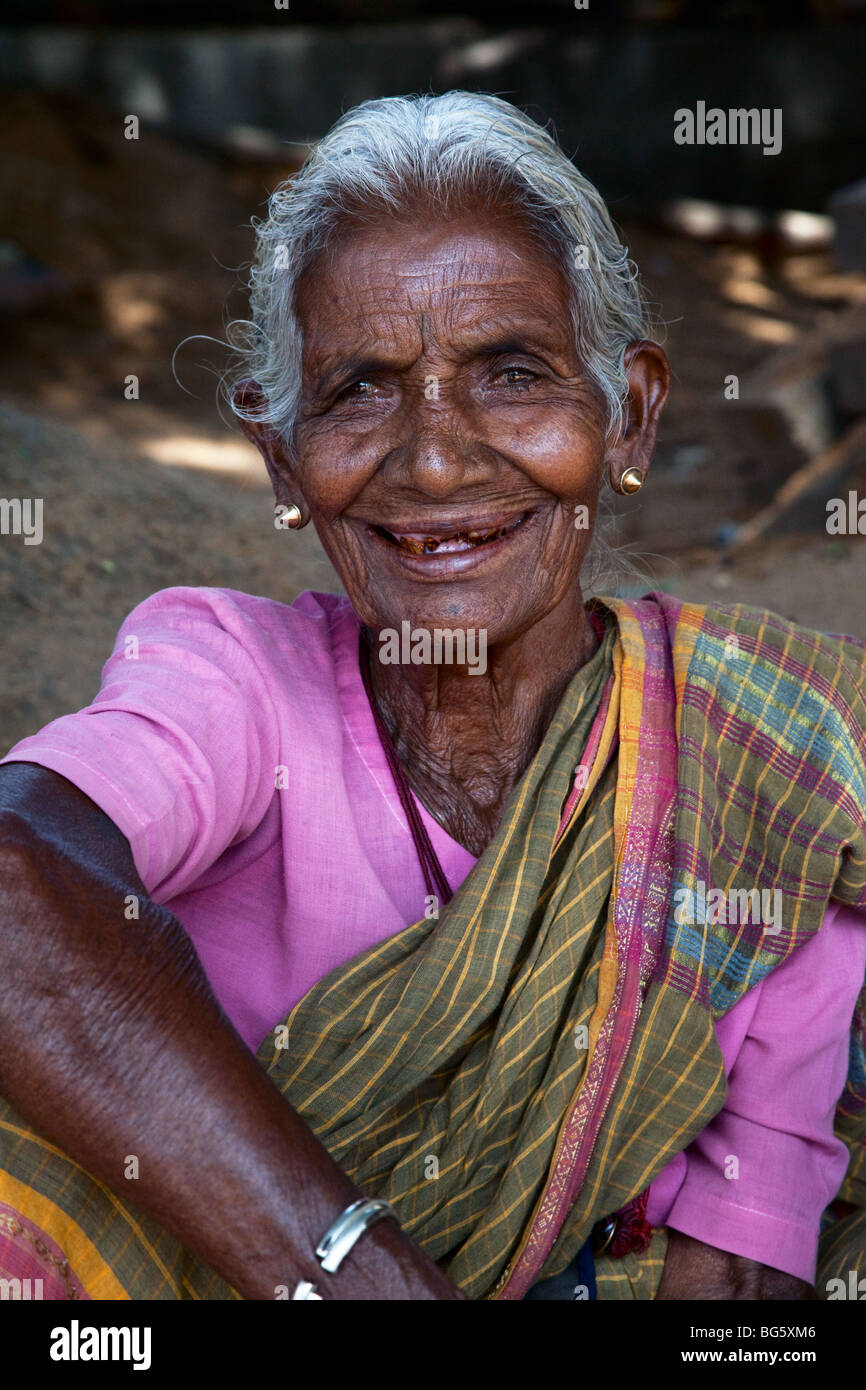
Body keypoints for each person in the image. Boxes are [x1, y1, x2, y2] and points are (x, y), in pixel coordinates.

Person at [0, 91, 864, 1302]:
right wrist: (356, 1271)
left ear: (629, 413)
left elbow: (736, 1279)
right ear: (280, 455)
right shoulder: (228, 681)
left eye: (511, 374)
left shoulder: (759, 761)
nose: (438, 458)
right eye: (358, 389)